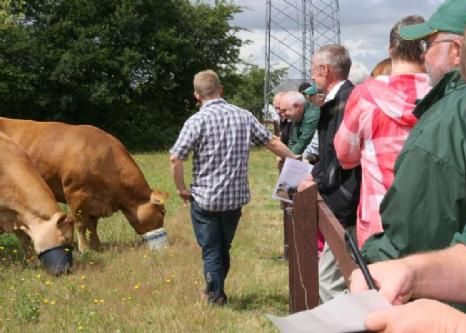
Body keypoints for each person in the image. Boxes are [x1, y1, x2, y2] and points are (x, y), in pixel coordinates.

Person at [361, 0, 466, 268]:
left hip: (450, 300)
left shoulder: (446, 121)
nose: (423, 57)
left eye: (429, 45)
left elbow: (409, 238)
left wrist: (372, 254)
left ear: (457, 51)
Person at [169, 70, 296, 305]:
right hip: (233, 200)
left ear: (197, 95)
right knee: (222, 247)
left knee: (211, 249)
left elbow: (176, 158)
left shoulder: (196, 121)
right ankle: (214, 290)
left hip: (205, 199)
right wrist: (297, 161)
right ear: (221, 89)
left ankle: (216, 296)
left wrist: (181, 188)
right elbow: (272, 142)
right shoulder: (243, 116)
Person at [334, 15, 431, 248]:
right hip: (433, 220)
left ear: (390, 49)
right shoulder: (447, 95)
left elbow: (345, 156)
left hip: (380, 222)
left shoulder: (366, 96)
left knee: (379, 283)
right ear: (426, 50)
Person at [297, 44, 360, 302]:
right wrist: (314, 173)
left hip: (346, 200)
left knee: (330, 281)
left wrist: (317, 180)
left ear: (324, 69)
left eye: (313, 71)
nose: (311, 77)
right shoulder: (338, 99)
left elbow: (340, 157)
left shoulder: (346, 101)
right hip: (344, 199)